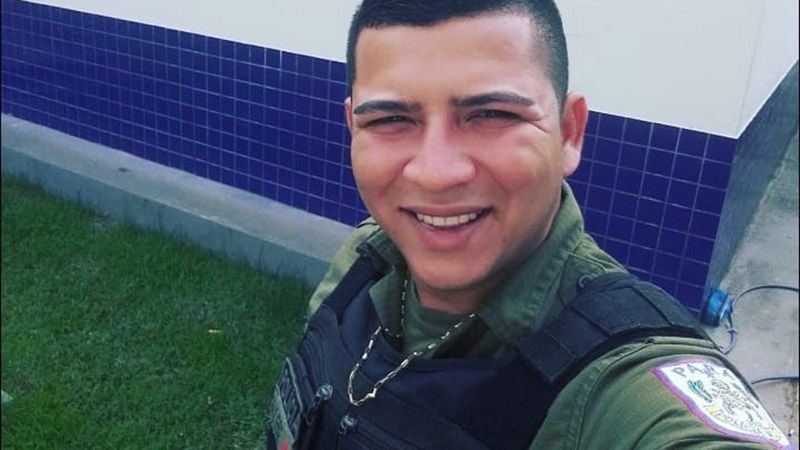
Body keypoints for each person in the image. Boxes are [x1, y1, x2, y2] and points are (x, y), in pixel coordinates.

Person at [266, 1, 791, 448]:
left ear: (569, 133)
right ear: (352, 128)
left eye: (492, 115)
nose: (435, 173)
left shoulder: (623, 384)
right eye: (389, 120)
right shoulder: (365, 259)